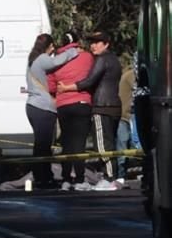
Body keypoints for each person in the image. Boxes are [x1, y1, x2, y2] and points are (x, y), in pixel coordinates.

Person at [58, 30, 122, 189]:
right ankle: (113, 177)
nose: (93, 45)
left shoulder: (102, 59)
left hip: (102, 106)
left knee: (102, 145)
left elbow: (89, 81)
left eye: (97, 42)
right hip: (114, 105)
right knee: (110, 143)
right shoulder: (114, 59)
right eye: (91, 42)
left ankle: (108, 179)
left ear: (106, 44)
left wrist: (67, 88)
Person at [25, 33, 78, 189]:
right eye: (52, 46)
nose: (54, 49)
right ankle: (44, 178)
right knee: (44, 145)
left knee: (40, 145)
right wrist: (72, 51)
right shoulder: (42, 59)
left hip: (33, 106)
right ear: (47, 46)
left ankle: (42, 176)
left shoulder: (32, 59)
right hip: (42, 107)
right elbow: (57, 61)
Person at [49, 31, 94, 190]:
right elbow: (92, 76)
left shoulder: (56, 62)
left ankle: (66, 178)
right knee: (79, 143)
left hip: (63, 105)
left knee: (67, 142)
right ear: (77, 41)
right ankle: (80, 178)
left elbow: (51, 86)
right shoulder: (87, 57)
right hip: (82, 102)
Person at [116, 55, 136, 186]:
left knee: (124, 145)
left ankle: (122, 174)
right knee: (124, 146)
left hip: (127, 115)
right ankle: (121, 175)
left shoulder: (128, 74)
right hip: (126, 116)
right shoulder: (131, 76)